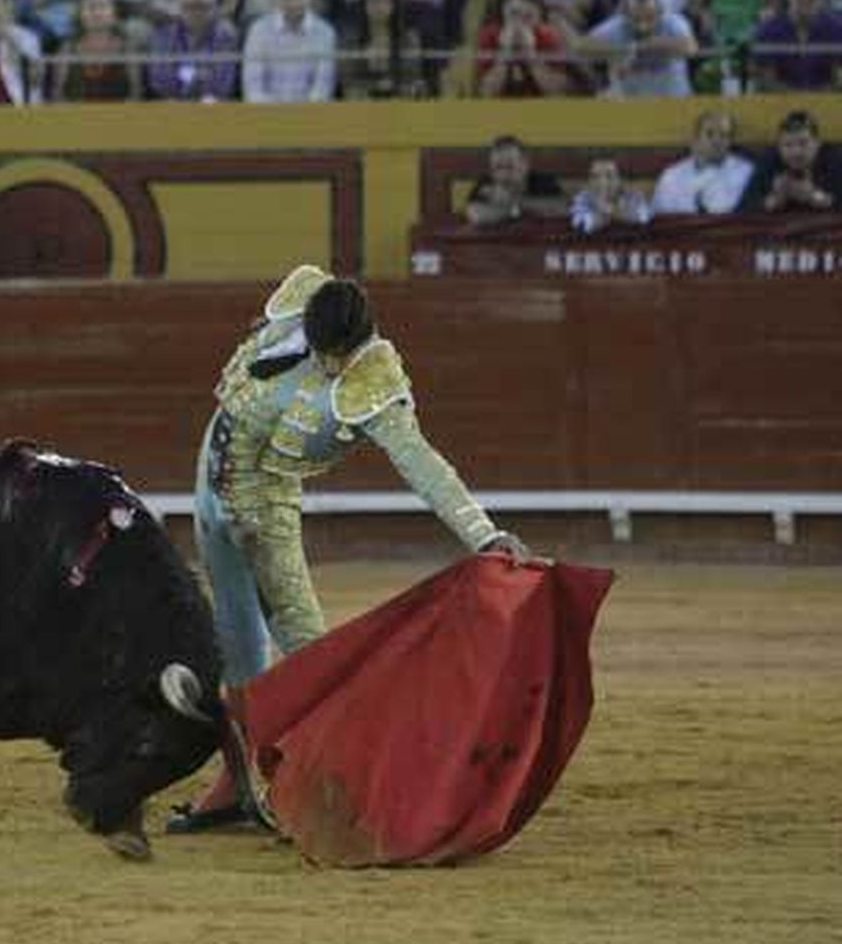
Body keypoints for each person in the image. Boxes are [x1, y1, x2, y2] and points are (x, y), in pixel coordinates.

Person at [167, 268, 530, 832]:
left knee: (309, 654)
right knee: (238, 653)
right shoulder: (302, 302)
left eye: (333, 354)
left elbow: (421, 463)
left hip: (265, 514)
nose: (325, 363)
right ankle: (236, 786)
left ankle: (345, 788)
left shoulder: (374, 381)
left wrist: (482, 533)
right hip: (210, 498)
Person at [577, 0, 697, 97]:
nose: (642, 27)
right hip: (632, 105)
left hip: (675, 101)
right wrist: (623, 51)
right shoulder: (617, 25)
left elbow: (690, 48)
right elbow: (580, 48)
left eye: (649, 18)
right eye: (636, 19)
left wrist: (644, 47)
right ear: (625, 16)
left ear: (661, 13)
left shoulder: (674, 22)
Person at [241, 0, 337, 103]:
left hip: (311, 117)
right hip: (266, 117)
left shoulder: (325, 32)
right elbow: (253, 87)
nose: (293, 3)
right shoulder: (258, 30)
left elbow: (322, 87)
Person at [145, 0, 239, 101]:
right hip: (173, 102)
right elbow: (160, 81)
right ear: (179, 8)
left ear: (215, 9)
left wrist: (186, 79)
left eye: (204, 7)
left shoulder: (225, 37)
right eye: (190, 7)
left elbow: (223, 84)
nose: (197, 13)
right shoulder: (164, 36)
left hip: (212, 103)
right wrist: (200, 77)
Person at [476, 0, 573, 97]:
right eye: (513, 14)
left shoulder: (549, 36)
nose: (519, 23)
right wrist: (504, 53)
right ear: (503, 10)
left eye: (528, 17)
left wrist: (531, 55)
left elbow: (557, 93)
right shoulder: (489, 35)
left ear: (539, 18)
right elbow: (487, 93)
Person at [751, 0, 842, 91]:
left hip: (825, 104)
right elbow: (767, 82)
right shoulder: (768, 30)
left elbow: (837, 80)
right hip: (779, 106)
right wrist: (801, 100)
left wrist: (813, 100)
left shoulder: (836, 29)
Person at [337, 0, 429, 99]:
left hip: (399, 106)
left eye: (386, 0)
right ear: (364, 3)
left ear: (394, 5)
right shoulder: (349, 39)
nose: (380, 6)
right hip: (360, 107)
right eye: (374, 0)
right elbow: (347, 83)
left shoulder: (408, 39)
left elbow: (411, 81)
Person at [736, 109, 842, 213]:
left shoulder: (834, 161)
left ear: (817, 144)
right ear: (779, 147)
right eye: (788, 145)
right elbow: (741, 211)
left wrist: (815, 197)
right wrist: (774, 201)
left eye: (803, 143)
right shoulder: (769, 161)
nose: (796, 152)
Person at [650, 109, 753, 215]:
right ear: (696, 139)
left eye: (723, 135)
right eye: (709, 134)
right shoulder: (671, 177)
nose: (717, 141)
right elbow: (659, 219)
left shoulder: (745, 173)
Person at [50, 0, 141, 101]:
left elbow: (136, 93)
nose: (97, 13)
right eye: (90, 8)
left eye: (103, 7)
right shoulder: (67, 49)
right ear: (79, 16)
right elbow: (57, 94)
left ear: (114, 15)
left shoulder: (128, 48)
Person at [464, 135, 567, 224]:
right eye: (498, 167)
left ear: (525, 164)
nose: (503, 173)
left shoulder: (542, 181)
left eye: (509, 166)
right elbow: (476, 215)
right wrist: (514, 209)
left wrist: (514, 201)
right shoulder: (486, 184)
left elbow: (564, 207)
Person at [570, 157, 653, 232]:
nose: (602, 182)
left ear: (621, 180)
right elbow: (584, 224)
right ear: (589, 181)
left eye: (609, 176)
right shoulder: (583, 198)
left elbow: (643, 217)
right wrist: (613, 211)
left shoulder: (634, 195)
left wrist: (608, 210)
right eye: (595, 176)